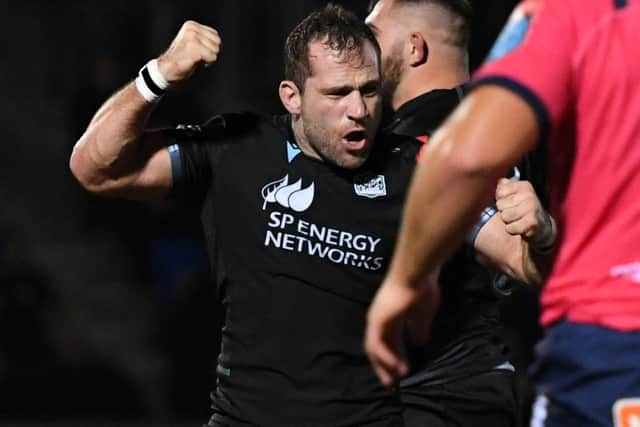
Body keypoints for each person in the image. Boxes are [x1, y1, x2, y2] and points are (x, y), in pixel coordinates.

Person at [70, 5, 415, 426]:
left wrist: (520, 225)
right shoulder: (239, 147)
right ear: (292, 97)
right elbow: (95, 168)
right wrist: (158, 76)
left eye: (370, 90)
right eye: (337, 93)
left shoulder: (409, 168)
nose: (358, 110)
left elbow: (510, 253)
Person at [365, 1, 640, 427]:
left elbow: (467, 161)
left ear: (415, 47)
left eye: (373, 35)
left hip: (600, 340)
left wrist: (404, 282)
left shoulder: (572, 15)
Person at [365, 1, 554, 426]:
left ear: (415, 48)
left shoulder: (444, 138)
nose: (359, 46)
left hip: (439, 394)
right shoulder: (500, 120)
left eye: (372, 35)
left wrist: (541, 237)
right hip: (448, 385)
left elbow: (519, 258)